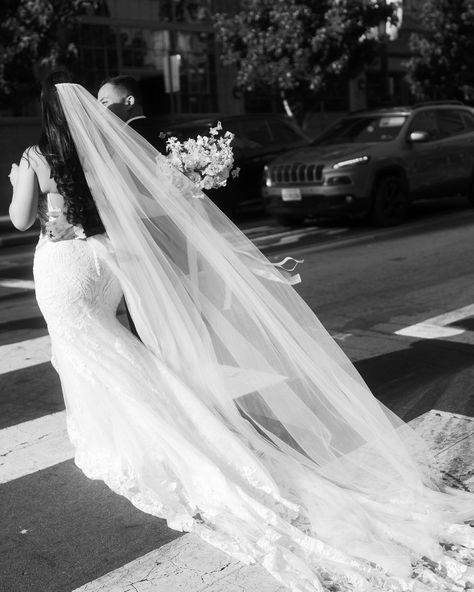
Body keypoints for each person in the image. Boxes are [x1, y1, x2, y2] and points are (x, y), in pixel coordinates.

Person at [8, 72, 474, 592]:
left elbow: (21, 219)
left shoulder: (35, 157)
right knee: (104, 340)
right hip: (102, 267)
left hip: (60, 267)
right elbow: (142, 216)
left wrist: (16, 185)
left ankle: (130, 433)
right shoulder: (106, 155)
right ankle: (171, 422)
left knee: (81, 343)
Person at [97, 74, 168, 153]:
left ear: (129, 102)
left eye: (104, 102)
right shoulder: (162, 133)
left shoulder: (123, 140)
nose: (99, 111)